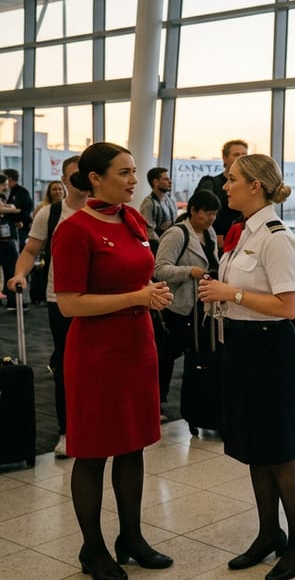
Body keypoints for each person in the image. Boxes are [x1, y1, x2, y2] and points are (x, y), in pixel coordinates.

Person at [52, 143, 175, 579]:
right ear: (94, 179)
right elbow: (69, 304)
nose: (133, 180)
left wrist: (151, 294)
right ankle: (93, 548)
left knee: (132, 445)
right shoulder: (74, 230)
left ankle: (131, 537)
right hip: (96, 353)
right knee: (93, 452)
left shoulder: (131, 219)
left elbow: (140, 273)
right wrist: (137, 296)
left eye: (134, 171)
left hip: (137, 345)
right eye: (123, 173)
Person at [197, 154, 295, 579]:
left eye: (232, 180)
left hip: (269, 351)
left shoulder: (275, 237)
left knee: (278, 450)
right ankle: (269, 533)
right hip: (241, 348)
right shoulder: (242, 232)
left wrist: (233, 293)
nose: (224, 186)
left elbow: (289, 306)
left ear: (255, 186)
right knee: (255, 450)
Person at [6, 155, 86, 459]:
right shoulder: (51, 215)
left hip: (101, 301)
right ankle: (67, 430)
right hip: (61, 300)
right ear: (63, 181)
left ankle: (96, 424)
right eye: (72, 175)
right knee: (66, 365)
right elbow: (30, 250)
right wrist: (18, 274)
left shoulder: (104, 212)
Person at [152, 189, 220, 417]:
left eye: (214, 214)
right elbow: (159, 269)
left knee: (197, 357)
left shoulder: (210, 233)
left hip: (202, 307)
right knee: (166, 356)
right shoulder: (177, 234)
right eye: (207, 213)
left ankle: (195, 406)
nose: (211, 218)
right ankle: (156, 403)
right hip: (177, 306)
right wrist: (190, 271)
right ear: (193, 211)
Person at [196, 139, 248, 250]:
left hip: (243, 241)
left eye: (244, 155)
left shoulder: (250, 186)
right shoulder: (211, 184)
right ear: (225, 159)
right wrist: (213, 234)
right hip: (216, 243)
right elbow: (200, 212)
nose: (241, 158)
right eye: (236, 154)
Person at [138, 167, 175, 245]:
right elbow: (147, 229)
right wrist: (161, 243)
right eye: (166, 179)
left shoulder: (170, 201)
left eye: (169, 179)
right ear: (155, 182)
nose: (170, 182)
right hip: (156, 246)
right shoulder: (149, 203)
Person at [0, 174, 20, 310]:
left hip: (8, 240)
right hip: (5, 242)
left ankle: (13, 301)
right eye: (4, 184)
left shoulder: (4, 198)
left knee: (11, 272)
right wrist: (15, 210)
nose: (7, 187)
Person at [2, 168, 33, 249]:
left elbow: (25, 211)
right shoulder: (7, 192)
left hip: (20, 228)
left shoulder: (21, 192)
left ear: (9, 179)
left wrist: (15, 214)